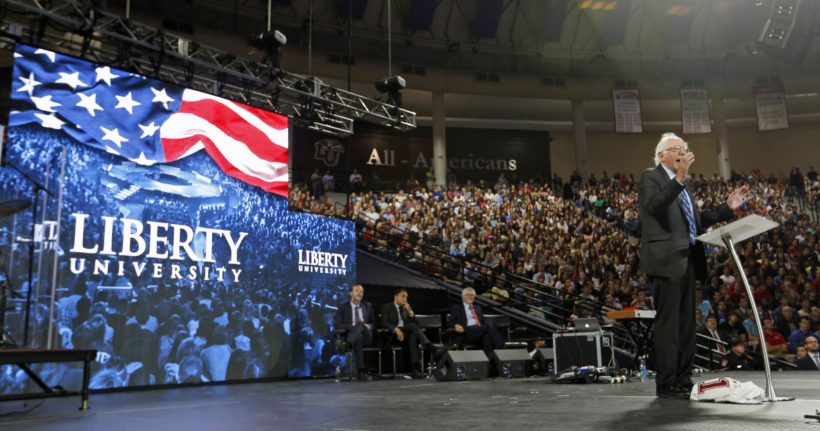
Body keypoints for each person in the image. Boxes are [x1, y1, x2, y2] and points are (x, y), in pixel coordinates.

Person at [638, 132, 749, 400]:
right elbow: (655, 206)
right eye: (676, 148)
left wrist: (727, 208)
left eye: (684, 148)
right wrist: (678, 179)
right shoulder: (650, 177)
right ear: (661, 154)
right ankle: (666, 384)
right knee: (669, 325)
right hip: (666, 260)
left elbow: (697, 221)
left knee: (687, 325)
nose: (682, 152)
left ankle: (683, 380)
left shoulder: (684, 185)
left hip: (689, 258)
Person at [380, 289, 432, 379]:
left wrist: (410, 312)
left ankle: (415, 369)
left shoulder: (405, 309)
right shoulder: (387, 307)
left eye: (406, 297)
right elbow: (383, 322)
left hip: (406, 335)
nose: (405, 299)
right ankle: (427, 344)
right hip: (393, 336)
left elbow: (418, 325)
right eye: (403, 296)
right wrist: (395, 329)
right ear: (396, 297)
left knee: (412, 337)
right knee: (411, 327)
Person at [333, 283, 376, 381]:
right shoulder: (343, 307)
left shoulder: (367, 306)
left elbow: (374, 324)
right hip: (353, 336)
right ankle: (361, 372)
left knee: (360, 325)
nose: (360, 293)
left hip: (367, 336)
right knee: (358, 337)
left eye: (362, 292)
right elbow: (338, 325)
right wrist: (354, 327)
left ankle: (347, 344)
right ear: (350, 293)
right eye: (357, 291)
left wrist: (369, 326)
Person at [448, 287, 505, 358]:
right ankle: (501, 345)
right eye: (468, 295)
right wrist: (456, 325)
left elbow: (482, 322)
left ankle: (489, 361)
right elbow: (451, 322)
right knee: (487, 327)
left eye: (472, 295)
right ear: (463, 297)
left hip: (478, 332)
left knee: (487, 337)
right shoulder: (456, 307)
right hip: (465, 332)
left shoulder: (478, 308)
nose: (470, 296)